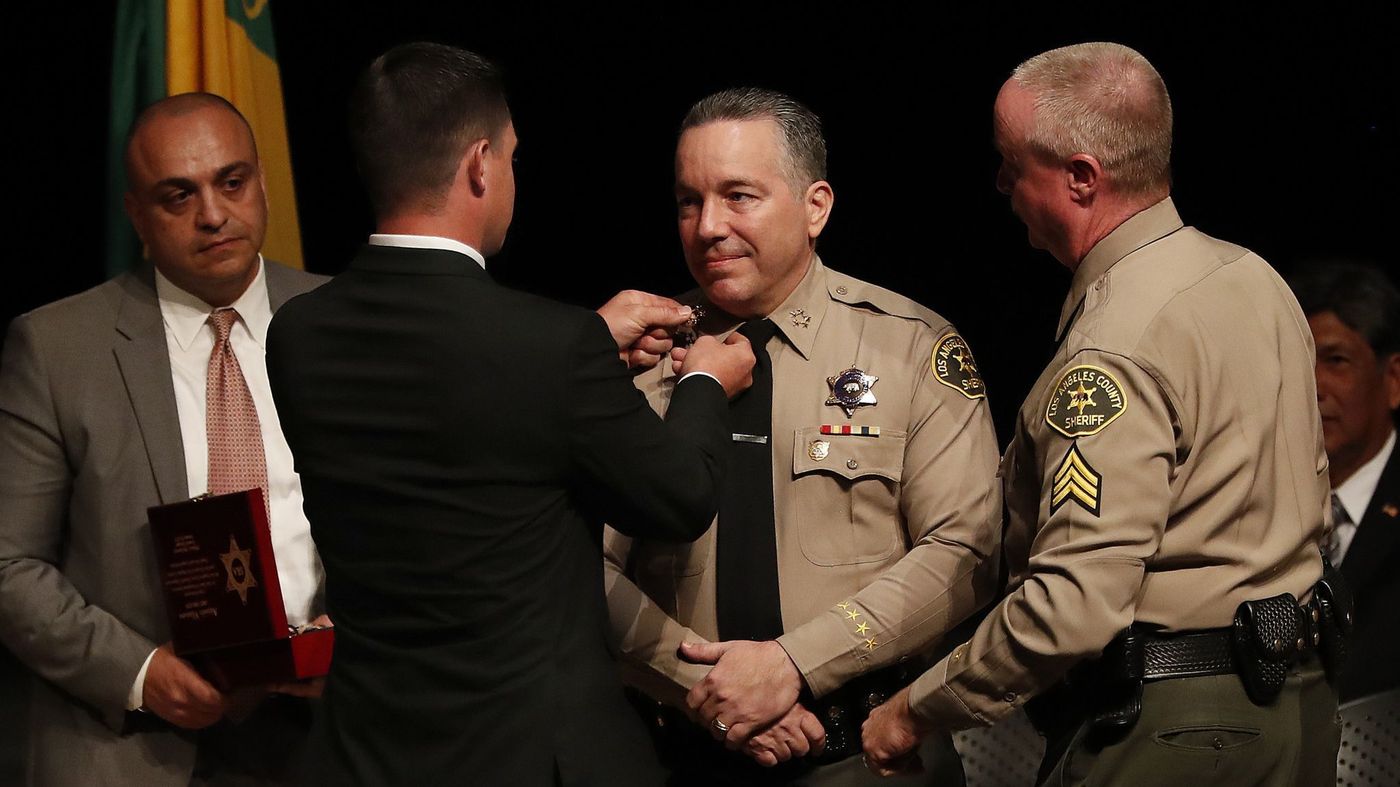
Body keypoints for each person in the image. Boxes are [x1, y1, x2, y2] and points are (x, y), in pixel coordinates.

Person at [263, 43, 754, 786]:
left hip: (369, 753)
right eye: (515, 158)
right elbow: (680, 493)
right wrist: (705, 384)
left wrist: (582, 351)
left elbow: (453, 419)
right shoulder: (551, 348)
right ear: (480, 164)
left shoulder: (296, 334)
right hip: (533, 757)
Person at [862, 42, 1340, 785]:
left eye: (1013, 165)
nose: (999, 183)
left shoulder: (1112, 347)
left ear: (1082, 178)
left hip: (1172, 733)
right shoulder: (1257, 278)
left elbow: (1074, 606)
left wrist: (916, 709)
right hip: (1296, 711)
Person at [603, 87, 1002, 786]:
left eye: (739, 196)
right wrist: (704, 684)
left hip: (864, 757)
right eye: (688, 201)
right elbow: (574, 563)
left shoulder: (907, 347)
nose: (707, 227)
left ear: (815, 206)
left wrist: (792, 663)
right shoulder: (636, 362)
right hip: (678, 754)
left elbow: (965, 550)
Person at [0, 93, 327, 785]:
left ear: (263, 181)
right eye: (179, 195)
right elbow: (7, 564)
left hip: (335, 731)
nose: (213, 214)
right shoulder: (58, 347)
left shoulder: (348, 321)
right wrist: (141, 672)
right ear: (137, 213)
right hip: (137, 743)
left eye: (231, 182)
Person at [1290, 260, 1400, 703]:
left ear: (1393, 380)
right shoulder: (1254, 499)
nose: (1312, 386)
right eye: (1300, 362)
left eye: (1335, 360)